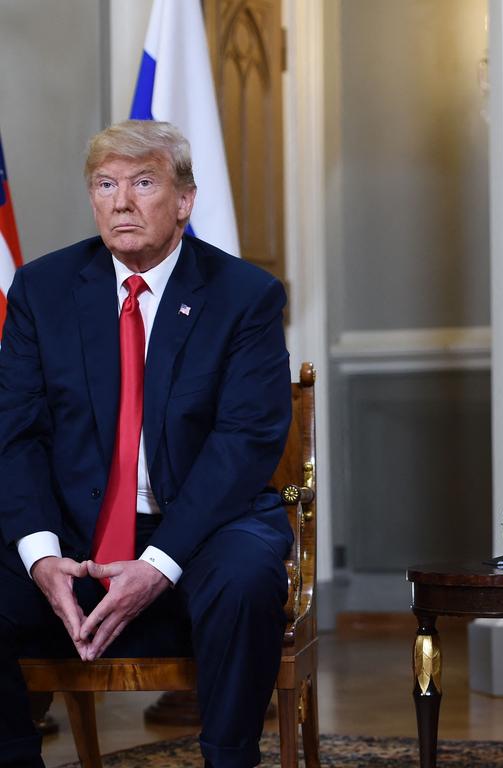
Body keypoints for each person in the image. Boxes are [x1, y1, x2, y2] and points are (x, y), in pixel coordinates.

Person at [0, 120, 293, 768]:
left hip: (204, 525)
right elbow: (15, 436)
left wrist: (159, 562)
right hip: (78, 534)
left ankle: (228, 758)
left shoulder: (244, 297)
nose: (121, 201)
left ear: (184, 200)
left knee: (246, 575)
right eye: (105, 184)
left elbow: (243, 445)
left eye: (142, 182)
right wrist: (43, 557)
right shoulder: (42, 291)